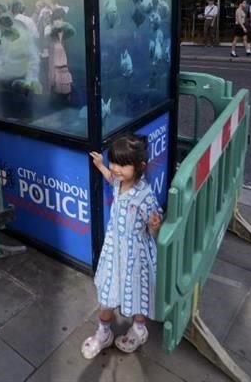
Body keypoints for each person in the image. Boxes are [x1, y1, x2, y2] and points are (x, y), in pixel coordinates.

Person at [82, 135, 162, 359]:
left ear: (140, 167)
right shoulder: (119, 182)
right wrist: (100, 165)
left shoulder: (145, 195)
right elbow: (110, 178)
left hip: (135, 256)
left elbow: (155, 224)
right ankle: (103, 332)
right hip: (113, 252)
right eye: (114, 162)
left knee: (137, 295)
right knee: (107, 294)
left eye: (123, 164)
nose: (116, 168)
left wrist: (154, 225)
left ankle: (139, 330)